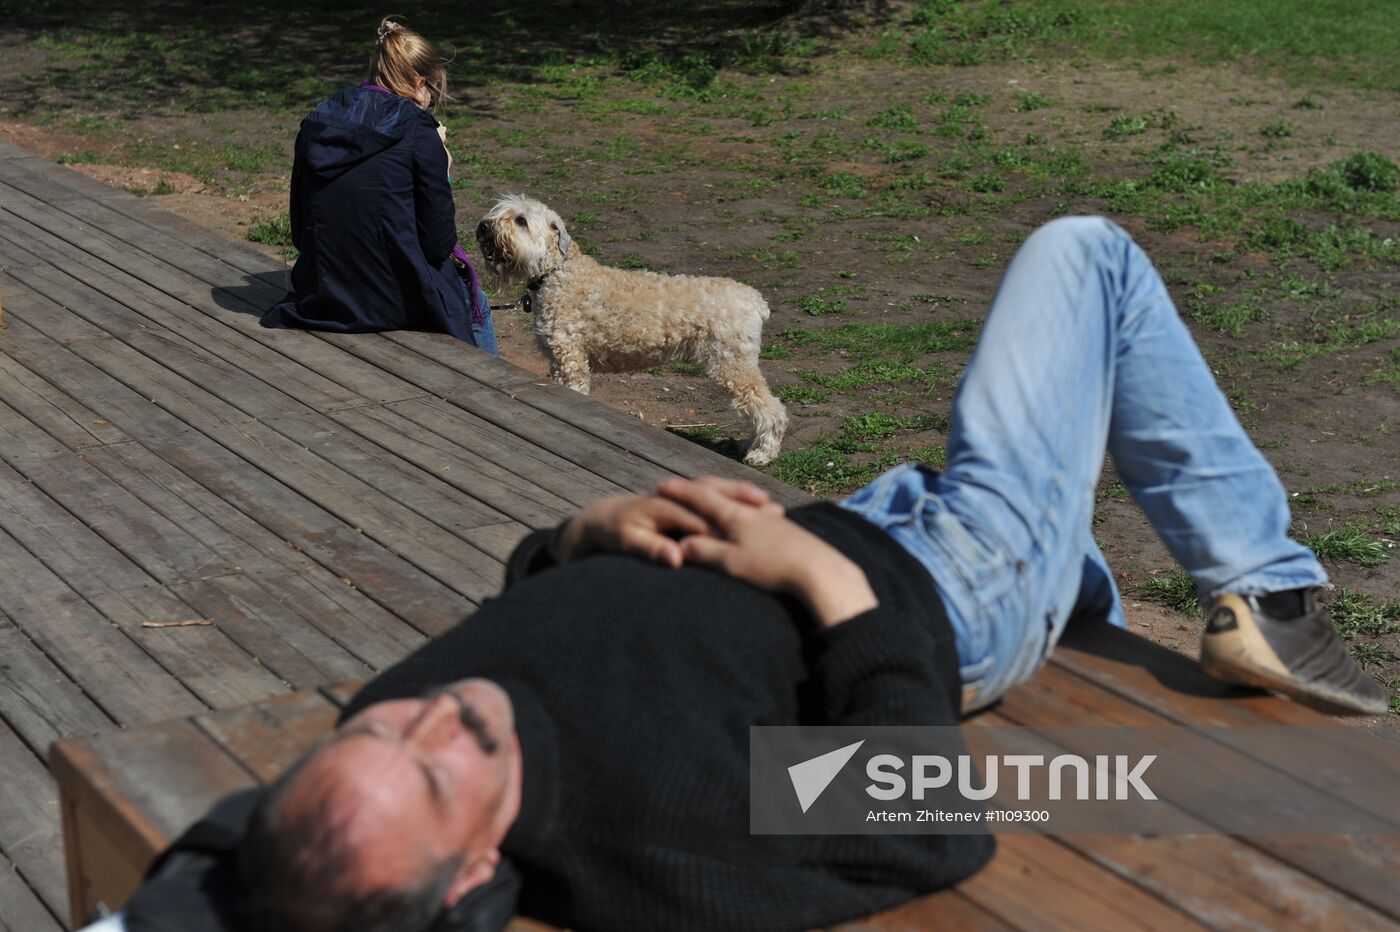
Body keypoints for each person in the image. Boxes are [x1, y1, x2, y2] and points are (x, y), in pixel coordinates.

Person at [110, 216, 1383, 932]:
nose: (453, 705)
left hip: (870, 519)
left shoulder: (374, 766)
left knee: (1007, 443)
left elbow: (531, 625)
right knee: (1083, 255)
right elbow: (929, 812)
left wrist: (575, 539)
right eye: (451, 758)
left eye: (401, 713)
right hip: (935, 592)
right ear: (471, 875)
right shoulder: (667, 813)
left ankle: (1075, 580)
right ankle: (1266, 588)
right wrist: (820, 581)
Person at [261, 17, 497, 354]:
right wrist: (443, 169)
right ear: (419, 83)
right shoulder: (418, 131)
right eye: (432, 90)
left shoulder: (318, 122)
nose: (430, 99)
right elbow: (437, 245)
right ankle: (495, 393)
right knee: (477, 304)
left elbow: (300, 234)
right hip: (394, 302)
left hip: (322, 294)